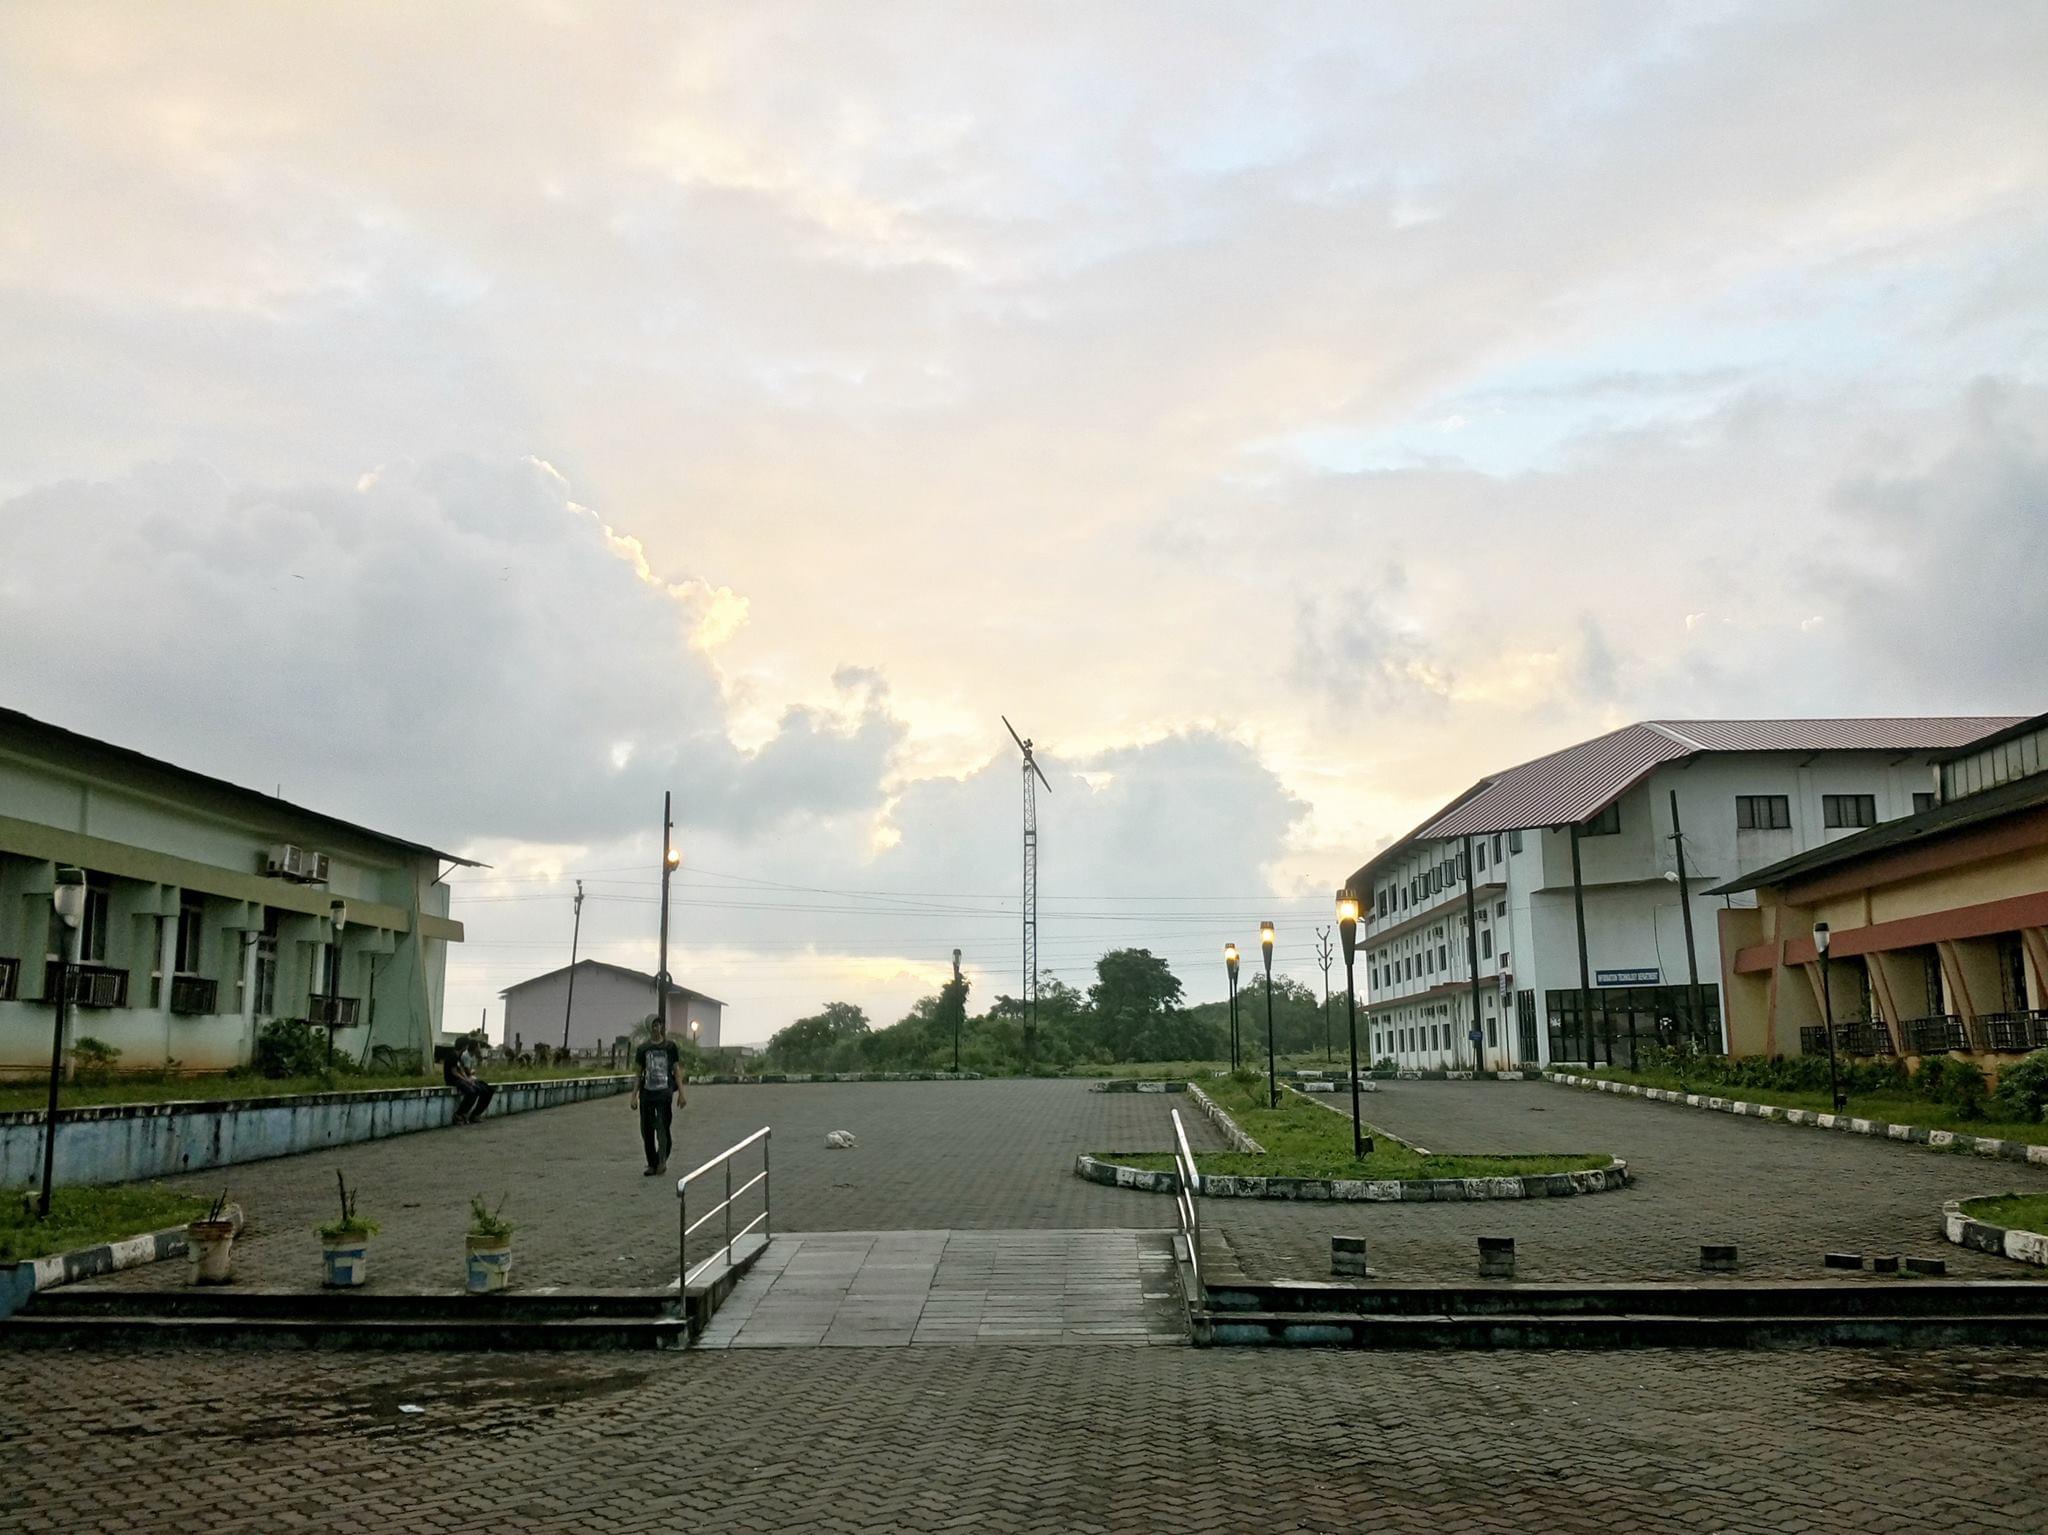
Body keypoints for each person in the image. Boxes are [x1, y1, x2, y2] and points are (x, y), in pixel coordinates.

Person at [632, 1013, 685, 1175]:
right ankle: (651, 1163)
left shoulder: (670, 1047)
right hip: (647, 1094)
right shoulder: (643, 1049)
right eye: (654, 1025)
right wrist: (633, 1096)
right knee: (646, 1130)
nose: (657, 1028)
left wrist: (682, 1093)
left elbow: (676, 1070)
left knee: (663, 1127)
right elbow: (638, 1074)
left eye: (659, 1025)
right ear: (649, 1028)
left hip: (664, 1093)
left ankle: (662, 1160)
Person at [443, 1042, 494, 1125]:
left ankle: (475, 1114)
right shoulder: (453, 1056)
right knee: (473, 1091)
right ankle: (459, 1114)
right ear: (464, 1046)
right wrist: (466, 1080)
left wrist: (467, 1079)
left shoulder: (458, 1056)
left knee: (487, 1090)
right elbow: (454, 1072)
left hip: (462, 1079)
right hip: (453, 1080)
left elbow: (461, 1070)